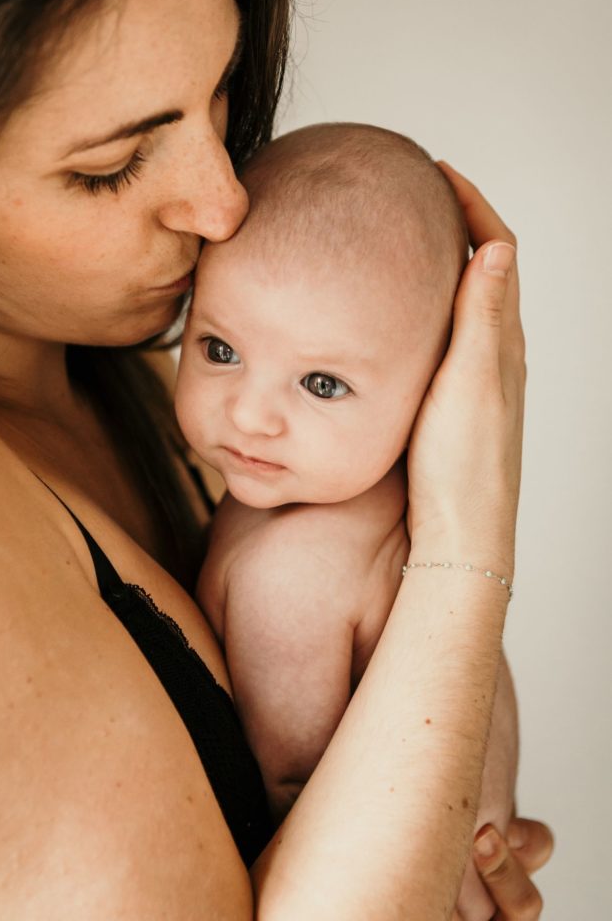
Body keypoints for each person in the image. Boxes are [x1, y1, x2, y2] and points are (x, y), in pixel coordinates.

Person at [0, 0, 551, 918]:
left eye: (216, 91)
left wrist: (436, 811)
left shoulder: (141, 384)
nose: (223, 202)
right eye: (109, 166)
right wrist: (466, 542)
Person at [175, 121, 520, 920]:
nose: (251, 415)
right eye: (220, 349)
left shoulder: (290, 577)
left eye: (322, 384)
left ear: (437, 386)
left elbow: (290, 793)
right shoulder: (372, 498)